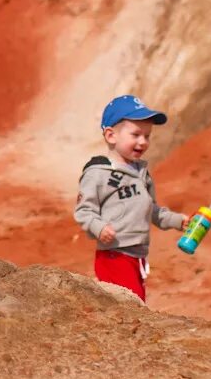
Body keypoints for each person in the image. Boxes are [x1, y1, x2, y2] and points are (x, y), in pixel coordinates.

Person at [74, 94, 187, 302]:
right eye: (135, 134)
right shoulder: (98, 173)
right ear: (111, 136)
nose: (142, 142)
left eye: (147, 135)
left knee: (134, 305)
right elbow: (83, 211)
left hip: (138, 255)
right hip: (114, 255)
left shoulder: (142, 173)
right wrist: (98, 227)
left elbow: (151, 210)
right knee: (130, 307)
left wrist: (179, 221)